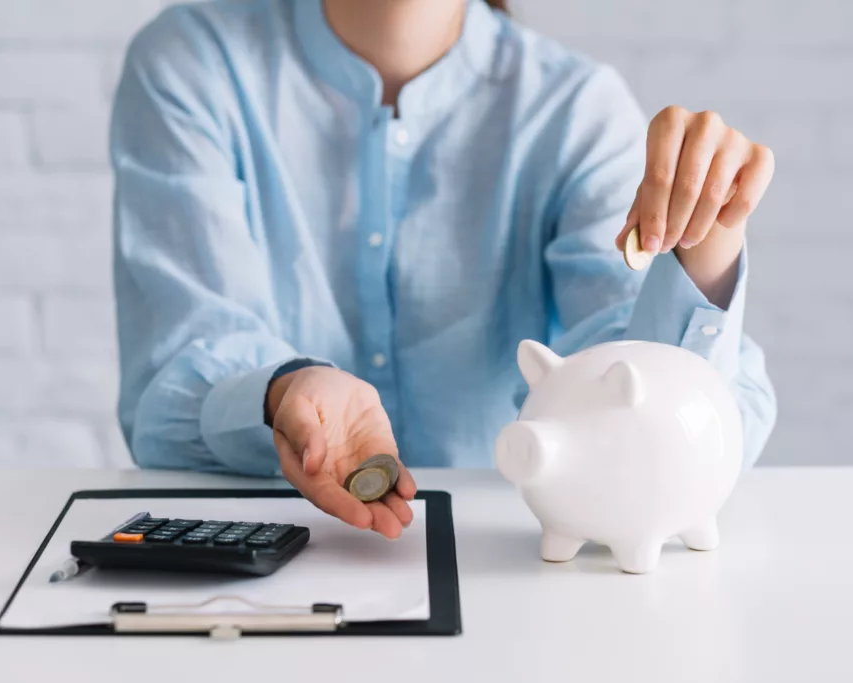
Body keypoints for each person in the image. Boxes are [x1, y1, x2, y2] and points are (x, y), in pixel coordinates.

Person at [109, 0, 777, 540]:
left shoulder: (576, 110)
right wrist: (284, 391)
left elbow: (666, 431)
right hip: (269, 553)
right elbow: (166, 398)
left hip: (515, 570)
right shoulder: (190, 64)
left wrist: (705, 250)